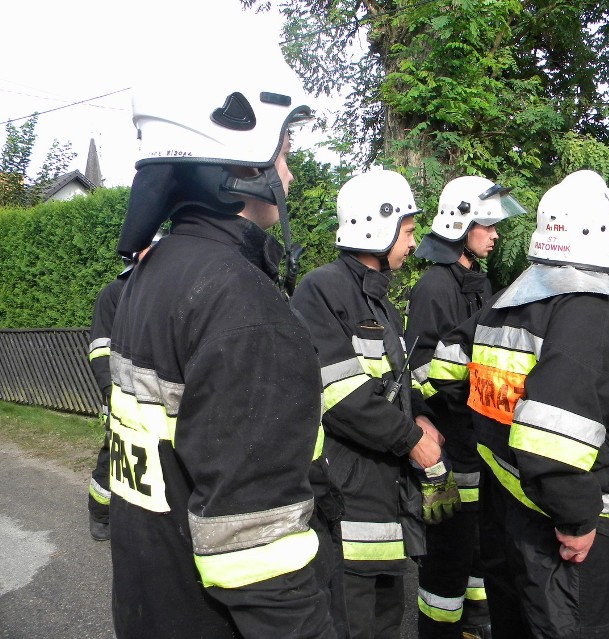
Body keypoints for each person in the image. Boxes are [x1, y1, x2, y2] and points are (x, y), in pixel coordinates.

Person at [107, 32, 336, 638]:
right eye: (282, 151)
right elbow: (257, 549)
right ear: (240, 161)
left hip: (151, 602)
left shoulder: (154, 272)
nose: (287, 171)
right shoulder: (241, 305)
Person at [429, 169, 609, 639]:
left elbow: (444, 369)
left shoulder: (508, 299)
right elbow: (551, 439)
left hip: (503, 503)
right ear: (606, 230)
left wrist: (488, 430)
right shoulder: (582, 310)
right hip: (557, 523)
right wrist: (577, 518)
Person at [291, 168, 458, 639]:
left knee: (386, 618)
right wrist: (412, 443)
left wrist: (421, 414)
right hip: (347, 494)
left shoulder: (379, 301)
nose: (412, 241)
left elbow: (392, 383)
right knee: (351, 623)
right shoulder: (322, 290)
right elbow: (341, 396)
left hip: (384, 494)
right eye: (406, 231)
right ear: (376, 227)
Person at [406, 175, 526, 639]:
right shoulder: (435, 288)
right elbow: (423, 371)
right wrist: (477, 401)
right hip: (451, 447)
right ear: (460, 225)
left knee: (481, 554)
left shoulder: (479, 282)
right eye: (487, 225)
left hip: (480, 444)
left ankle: (478, 625)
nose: (495, 235)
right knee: (448, 561)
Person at [85, 233, 162, 542]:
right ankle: (100, 513)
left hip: (159, 397)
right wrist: (112, 391)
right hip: (122, 396)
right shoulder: (113, 294)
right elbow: (100, 349)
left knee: (156, 461)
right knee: (115, 456)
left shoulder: (162, 292)